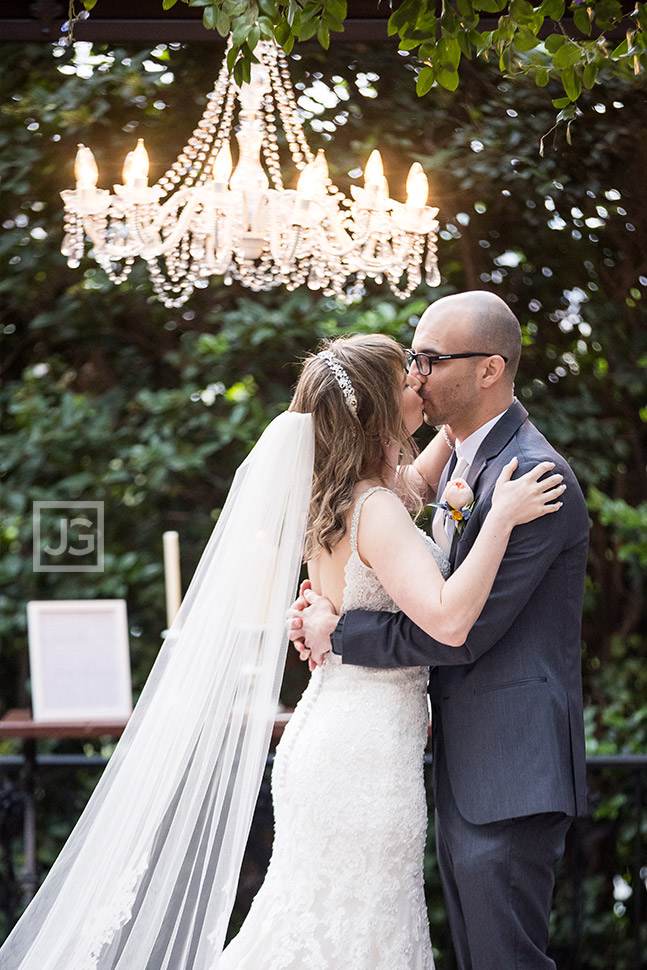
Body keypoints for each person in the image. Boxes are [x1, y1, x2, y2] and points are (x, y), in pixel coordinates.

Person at [0, 331, 564, 970]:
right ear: (380, 410)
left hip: (329, 731)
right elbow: (448, 619)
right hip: (362, 749)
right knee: (352, 930)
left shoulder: (347, 495)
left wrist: (487, 406)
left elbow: (439, 461)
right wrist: (499, 518)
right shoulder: (376, 508)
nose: (421, 382)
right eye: (409, 377)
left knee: (321, 920)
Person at [289, 294, 589, 970]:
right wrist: (323, 609)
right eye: (408, 363)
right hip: (441, 758)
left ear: (488, 371)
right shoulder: (451, 458)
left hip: (510, 769)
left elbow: (462, 629)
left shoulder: (532, 478)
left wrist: (338, 635)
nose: (416, 374)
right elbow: (386, 522)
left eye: (427, 359)